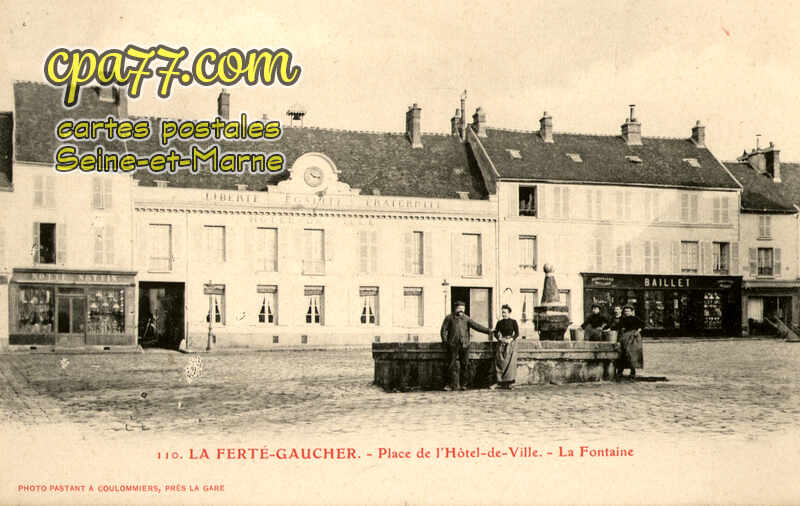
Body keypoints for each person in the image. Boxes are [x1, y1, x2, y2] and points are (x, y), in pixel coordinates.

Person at [440, 301, 493, 391]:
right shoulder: (449, 318)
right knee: (450, 365)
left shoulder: (466, 318)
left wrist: (489, 331)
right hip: (452, 345)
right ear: (455, 308)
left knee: (465, 365)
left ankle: (464, 385)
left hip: (465, 345)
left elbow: (477, 326)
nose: (461, 310)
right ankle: (449, 385)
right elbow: (443, 330)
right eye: (459, 308)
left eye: (463, 308)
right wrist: (445, 341)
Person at [489, 304, 520, 390]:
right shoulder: (499, 323)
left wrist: (511, 339)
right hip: (502, 343)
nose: (503, 314)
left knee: (510, 363)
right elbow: (495, 332)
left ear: (509, 313)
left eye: (505, 312)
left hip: (510, 344)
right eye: (502, 312)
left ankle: (509, 383)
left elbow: (517, 333)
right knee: (500, 361)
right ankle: (499, 382)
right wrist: (499, 338)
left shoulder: (513, 322)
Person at [617, 305, 644, 379]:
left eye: (628, 311)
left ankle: (633, 370)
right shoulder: (623, 319)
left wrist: (637, 331)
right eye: (625, 311)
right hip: (625, 337)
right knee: (623, 353)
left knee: (632, 353)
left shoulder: (636, 318)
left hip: (634, 338)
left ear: (632, 312)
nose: (627, 312)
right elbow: (620, 327)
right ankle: (620, 370)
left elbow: (642, 325)